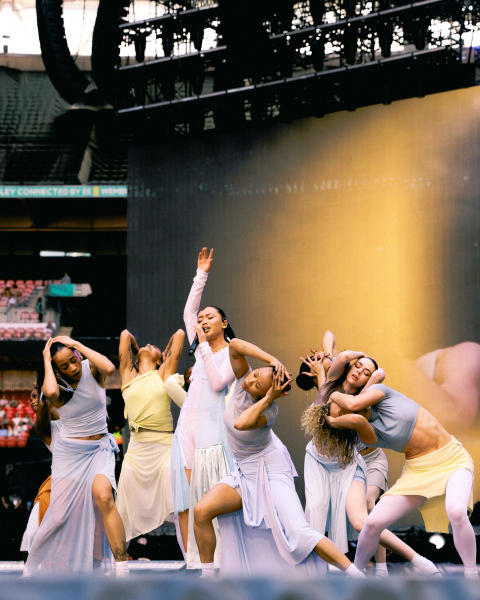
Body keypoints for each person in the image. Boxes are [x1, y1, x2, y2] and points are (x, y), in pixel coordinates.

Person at [193, 337, 366, 578]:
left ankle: (354, 573)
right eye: (255, 376)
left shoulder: (270, 411)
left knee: (299, 533)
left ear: (270, 394)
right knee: (202, 511)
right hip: (244, 472)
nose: (249, 381)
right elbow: (235, 346)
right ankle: (207, 577)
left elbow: (241, 423)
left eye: (256, 384)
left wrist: (268, 398)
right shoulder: (244, 378)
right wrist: (271, 360)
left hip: (272, 471)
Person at [325, 379, 476, 577]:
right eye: (342, 416)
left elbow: (354, 404)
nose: (346, 412)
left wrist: (333, 398)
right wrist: (334, 421)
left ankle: (471, 575)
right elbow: (358, 419)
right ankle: (356, 575)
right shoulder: (367, 434)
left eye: (343, 407)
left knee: (456, 511)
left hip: (454, 459)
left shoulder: (380, 392)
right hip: (418, 471)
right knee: (372, 523)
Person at [299, 346, 426, 576]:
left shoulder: (363, 399)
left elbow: (380, 374)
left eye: (366, 372)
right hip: (321, 461)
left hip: (356, 462)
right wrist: (332, 358)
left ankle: (397, 564)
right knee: (316, 511)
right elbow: (336, 345)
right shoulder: (329, 382)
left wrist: (368, 369)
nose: (359, 371)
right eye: (357, 367)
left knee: (365, 513)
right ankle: (319, 571)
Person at [24, 336, 128, 577]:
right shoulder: (59, 386)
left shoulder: (91, 369)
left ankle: (122, 569)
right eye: (64, 366)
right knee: (58, 516)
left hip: (100, 448)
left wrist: (77, 345)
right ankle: (29, 570)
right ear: (56, 369)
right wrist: (46, 360)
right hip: (69, 454)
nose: (72, 368)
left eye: (73, 360)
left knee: (105, 498)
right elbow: (48, 391)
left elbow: (110, 367)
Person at [171, 248, 237, 568]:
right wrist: (201, 275)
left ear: (224, 322)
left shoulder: (231, 353)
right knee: (197, 505)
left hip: (217, 439)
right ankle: (203, 565)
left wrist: (204, 351)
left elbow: (217, 383)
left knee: (218, 503)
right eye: (201, 319)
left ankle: (230, 561)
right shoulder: (201, 350)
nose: (202, 321)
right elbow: (189, 310)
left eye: (210, 317)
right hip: (190, 435)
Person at [116, 328, 185, 542]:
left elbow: (180, 334)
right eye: (146, 345)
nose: (148, 346)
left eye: (152, 347)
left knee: (177, 506)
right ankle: (119, 566)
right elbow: (126, 334)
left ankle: (193, 561)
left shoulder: (163, 373)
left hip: (164, 448)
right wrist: (140, 351)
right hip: (136, 450)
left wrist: (163, 354)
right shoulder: (128, 375)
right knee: (122, 511)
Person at [20, 387, 62, 557]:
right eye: (31, 398)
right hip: (56, 485)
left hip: (84, 484)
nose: (31, 401)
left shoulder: (79, 420)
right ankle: (28, 576)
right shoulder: (43, 428)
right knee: (32, 534)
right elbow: (47, 408)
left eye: (35, 396)